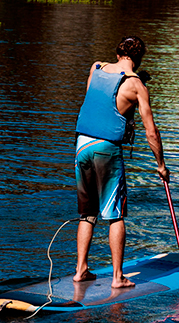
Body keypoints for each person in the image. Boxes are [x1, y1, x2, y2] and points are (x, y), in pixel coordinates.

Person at [73, 36, 170, 288]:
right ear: (138, 60)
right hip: (106, 149)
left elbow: (97, 104)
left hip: (82, 144)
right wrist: (161, 164)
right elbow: (151, 132)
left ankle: (81, 269)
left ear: (118, 54)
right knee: (115, 215)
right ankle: (117, 278)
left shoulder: (96, 68)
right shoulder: (137, 86)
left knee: (88, 213)